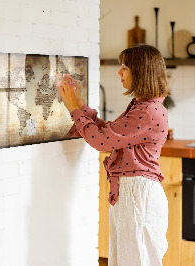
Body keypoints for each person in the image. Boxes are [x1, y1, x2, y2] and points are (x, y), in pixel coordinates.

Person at [57, 44, 170, 266]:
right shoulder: (143, 106)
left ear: (141, 71)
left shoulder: (147, 111)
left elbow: (101, 141)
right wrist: (79, 104)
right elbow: (109, 133)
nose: (119, 72)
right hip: (132, 193)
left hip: (138, 195)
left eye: (125, 67)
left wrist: (73, 108)